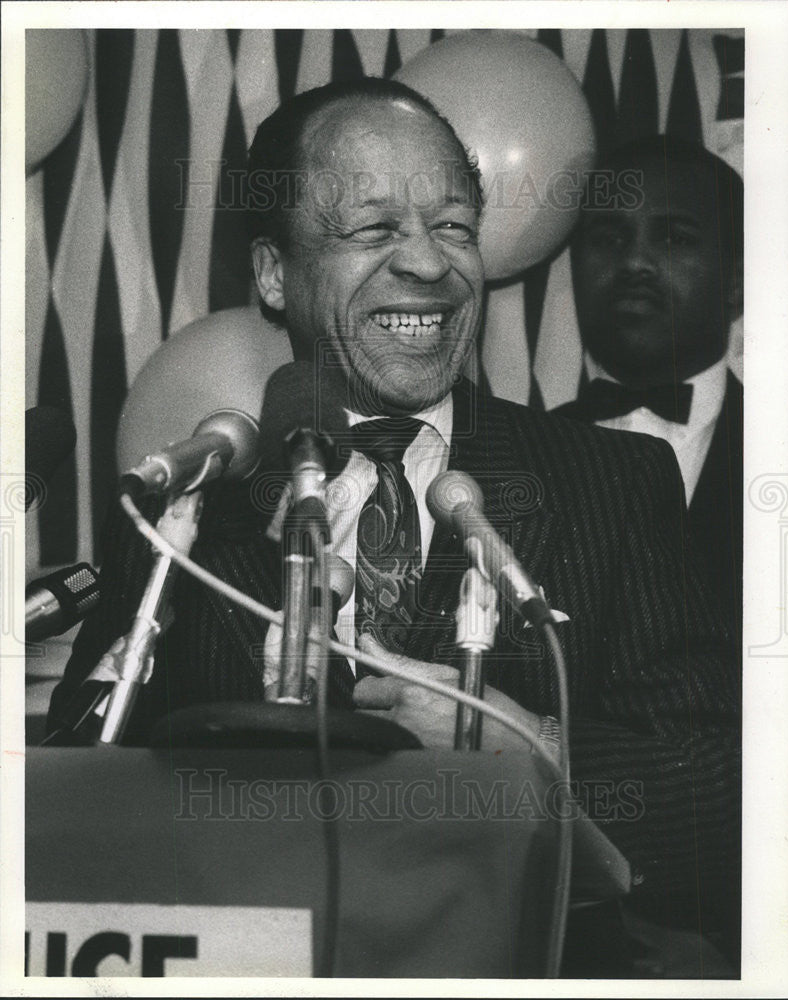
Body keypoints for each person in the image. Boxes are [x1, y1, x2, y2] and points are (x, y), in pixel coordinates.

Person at [48, 79, 740, 972]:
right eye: (372, 229)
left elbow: (731, 802)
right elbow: (72, 798)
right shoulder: (186, 513)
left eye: (452, 227)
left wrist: (539, 751)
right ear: (273, 272)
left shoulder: (613, 483)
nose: (428, 263)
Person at [556, 136, 743, 655]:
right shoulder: (515, 455)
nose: (635, 261)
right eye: (609, 238)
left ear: (739, 281)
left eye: (675, 238)